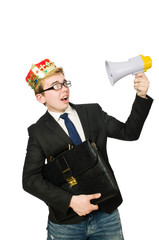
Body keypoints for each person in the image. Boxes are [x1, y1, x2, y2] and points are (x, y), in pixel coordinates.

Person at [23, 58, 153, 240]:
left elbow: (129, 132)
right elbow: (30, 179)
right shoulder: (38, 132)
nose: (64, 89)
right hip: (66, 224)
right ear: (40, 97)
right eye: (55, 86)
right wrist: (71, 201)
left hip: (106, 216)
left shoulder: (92, 112)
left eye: (64, 83)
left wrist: (141, 95)